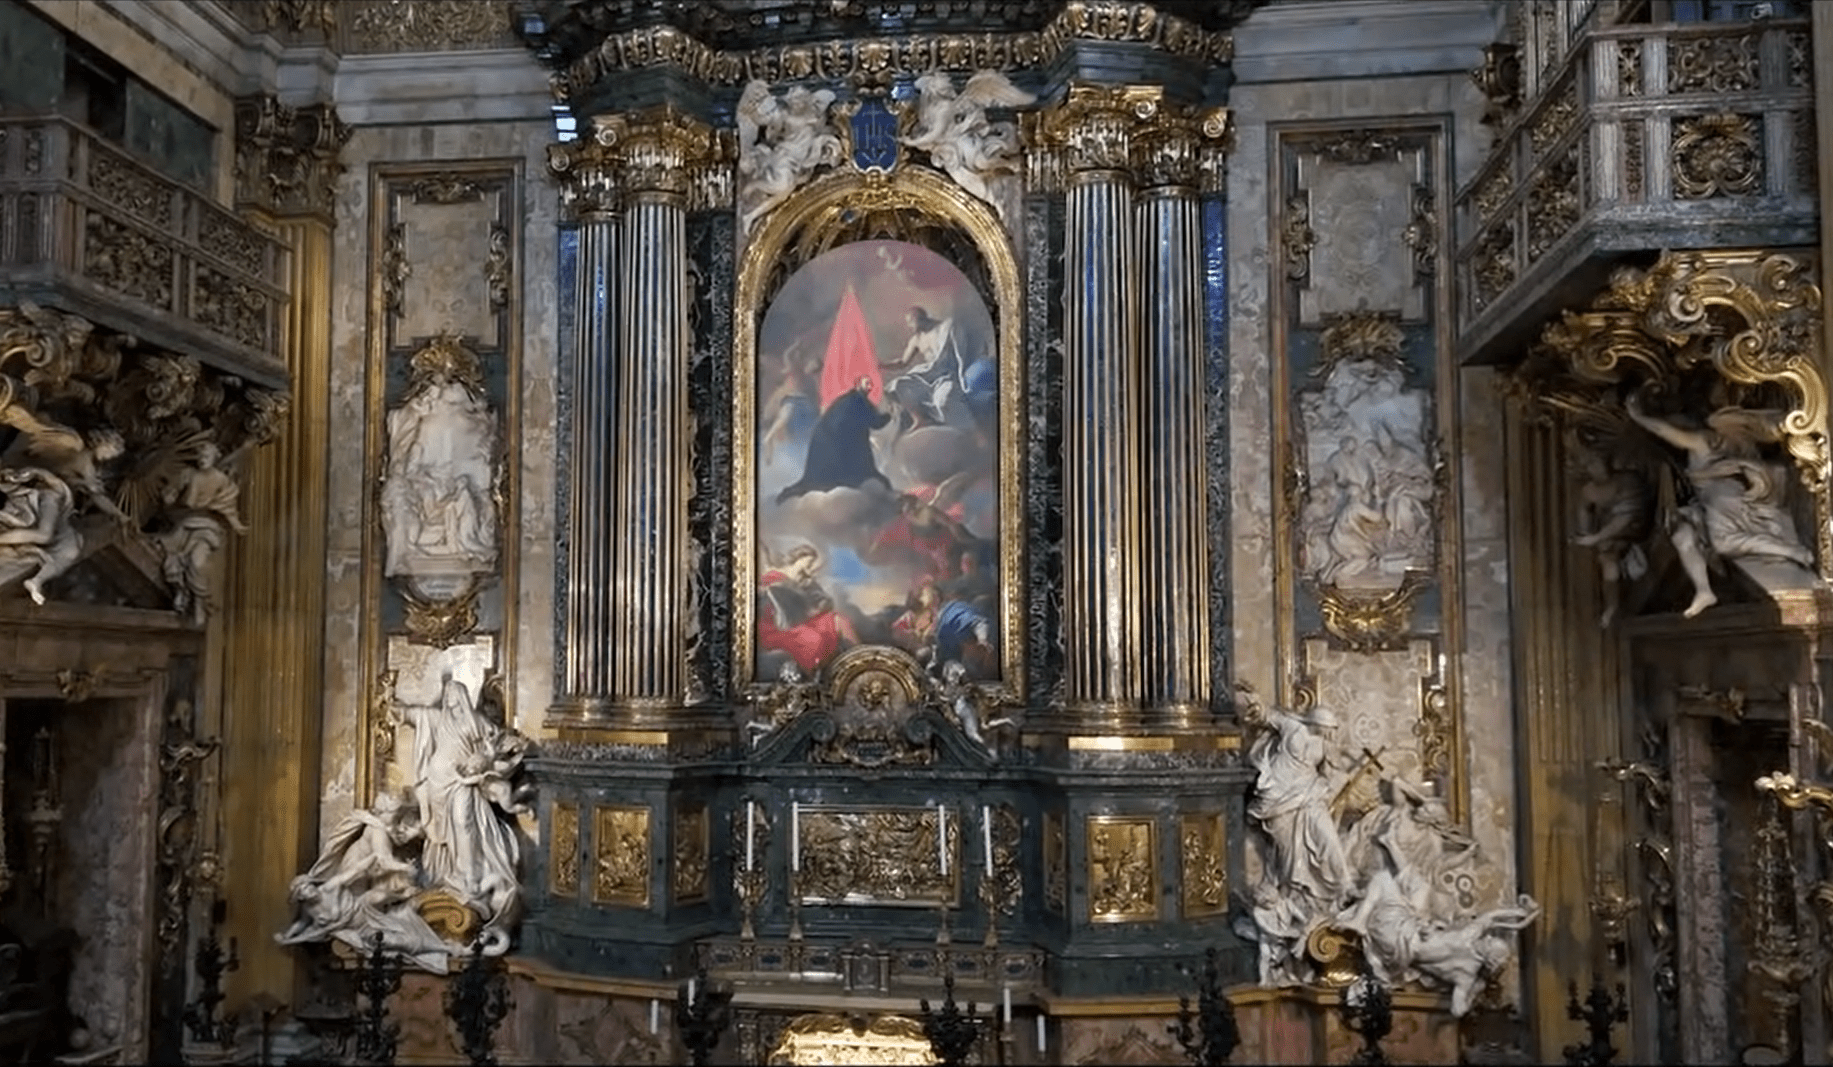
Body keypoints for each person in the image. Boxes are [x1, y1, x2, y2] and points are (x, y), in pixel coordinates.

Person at [776, 376, 894, 504]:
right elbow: (876, 422)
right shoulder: (858, 402)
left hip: (829, 454)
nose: (869, 387)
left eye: (870, 384)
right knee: (873, 482)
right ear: (858, 385)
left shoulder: (846, 401)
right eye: (866, 384)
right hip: (846, 456)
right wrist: (889, 414)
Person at [758, 544, 859, 673]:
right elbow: (789, 611)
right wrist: (811, 608)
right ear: (797, 558)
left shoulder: (803, 580)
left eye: (812, 565)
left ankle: (860, 658)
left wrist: (819, 604)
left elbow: (823, 600)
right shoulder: (773, 578)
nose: (809, 569)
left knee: (839, 620)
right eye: (809, 562)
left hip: (796, 623)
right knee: (812, 640)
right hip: (776, 628)